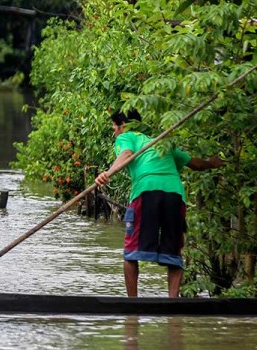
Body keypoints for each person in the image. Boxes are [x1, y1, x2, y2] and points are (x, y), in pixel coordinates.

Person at [94, 110, 224, 298]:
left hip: (146, 191)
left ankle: (133, 305)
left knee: (131, 252)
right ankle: (172, 305)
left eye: (114, 127)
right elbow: (195, 164)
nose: (114, 132)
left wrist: (108, 173)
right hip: (174, 195)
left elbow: (126, 154)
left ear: (123, 125)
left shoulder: (127, 136)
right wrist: (212, 163)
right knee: (173, 253)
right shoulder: (160, 141)